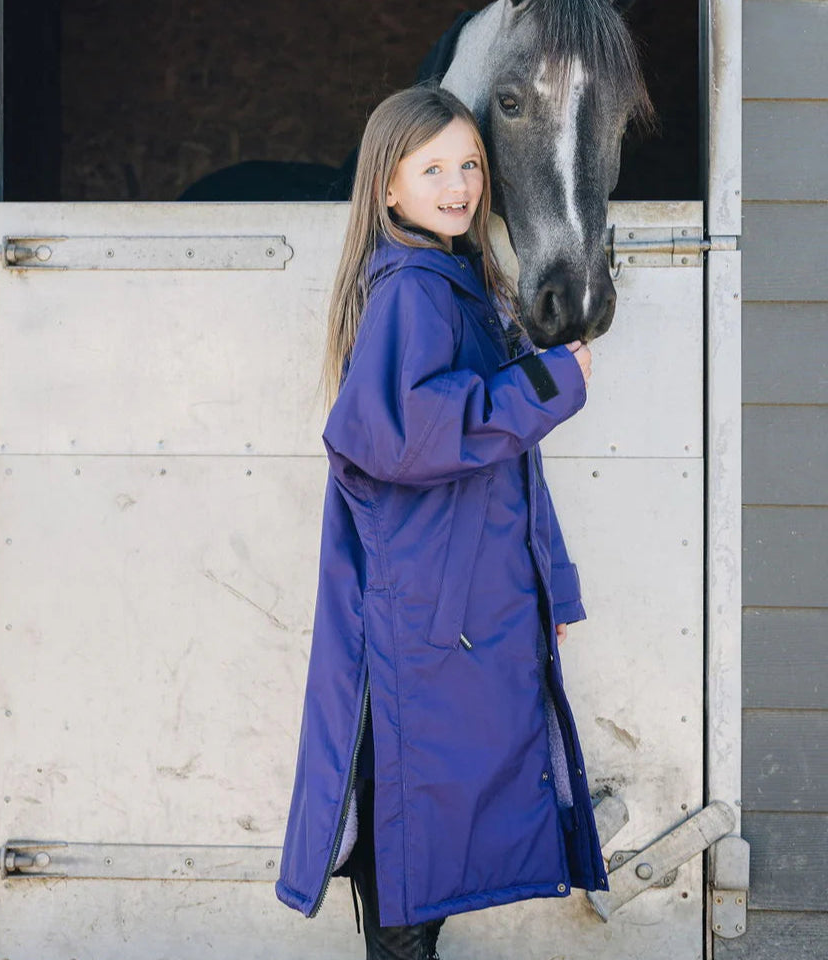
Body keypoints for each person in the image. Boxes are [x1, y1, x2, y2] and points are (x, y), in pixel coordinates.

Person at [275, 85, 608, 960]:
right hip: (426, 617)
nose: (458, 186)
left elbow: (510, 472)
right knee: (413, 833)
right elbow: (407, 435)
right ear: (388, 187)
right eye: (432, 170)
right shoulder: (414, 293)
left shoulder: (459, 285)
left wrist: (552, 589)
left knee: (433, 831)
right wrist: (545, 384)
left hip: (459, 611)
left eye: (469, 165)